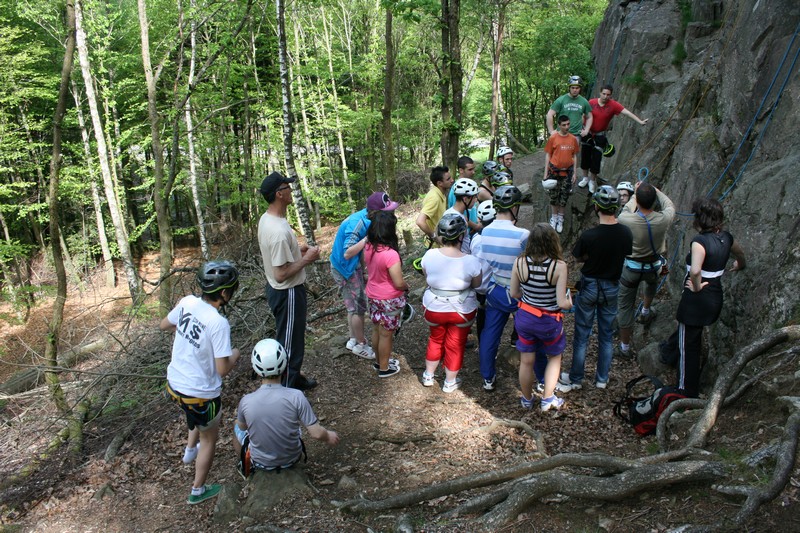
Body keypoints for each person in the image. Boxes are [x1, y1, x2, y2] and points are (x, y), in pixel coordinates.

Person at [162, 261, 241, 505]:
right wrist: (236, 354)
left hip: (174, 384)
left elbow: (164, 325)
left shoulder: (187, 302)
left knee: (194, 413)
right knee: (209, 438)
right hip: (201, 396)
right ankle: (198, 490)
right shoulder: (218, 323)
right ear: (225, 293)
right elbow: (223, 369)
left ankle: (188, 451)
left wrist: (188, 327)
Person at [660, 198, 746, 397]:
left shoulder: (699, 242)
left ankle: (685, 390)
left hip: (696, 301)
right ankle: (669, 352)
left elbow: (696, 270)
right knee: (689, 336)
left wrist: (696, 287)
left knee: (689, 346)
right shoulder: (727, 238)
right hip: (714, 297)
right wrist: (740, 264)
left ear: (700, 219)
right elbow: (740, 253)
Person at [557, 186, 632, 393]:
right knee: (606, 335)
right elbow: (626, 254)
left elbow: (578, 257)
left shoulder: (590, 235)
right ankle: (601, 379)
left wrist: (592, 258)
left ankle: (576, 378)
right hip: (611, 287)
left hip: (590, 285)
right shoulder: (625, 233)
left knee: (582, 334)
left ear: (597, 207)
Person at [234, 339, 339, 475]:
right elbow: (317, 433)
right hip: (292, 458)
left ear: (257, 369)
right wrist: (329, 436)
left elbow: (243, 428)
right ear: (284, 365)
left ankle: (243, 464)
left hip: (261, 463)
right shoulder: (296, 396)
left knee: (237, 424)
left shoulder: (246, 401)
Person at [257, 172, 319, 391]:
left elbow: (276, 255)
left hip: (279, 291)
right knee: (291, 343)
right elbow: (280, 274)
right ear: (279, 194)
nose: (291, 191)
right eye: (288, 188)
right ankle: (287, 392)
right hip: (288, 291)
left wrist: (296, 250)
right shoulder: (278, 231)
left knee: (290, 337)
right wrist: (306, 259)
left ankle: (295, 377)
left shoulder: (268, 218)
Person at [330, 191, 399, 360]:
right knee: (357, 307)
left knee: (353, 306)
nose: (391, 213)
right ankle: (361, 345)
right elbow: (347, 252)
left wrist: (365, 269)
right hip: (345, 268)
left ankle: (353, 339)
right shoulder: (358, 223)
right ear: (377, 212)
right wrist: (367, 240)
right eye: (388, 210)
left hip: (352, 266)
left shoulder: (368, 217)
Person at [510, 224, 573, 411]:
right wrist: (570, 301)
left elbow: (514, 293)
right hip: (549, 322)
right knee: (554, 357)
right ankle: (547, 399)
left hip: (525, 318)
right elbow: (562, 302)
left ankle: (527, 399)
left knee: (526, 361)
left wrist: (530, 295)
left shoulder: (519, 262)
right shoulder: (559, 266)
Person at [420, 214, 482, 393]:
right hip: (460, 309)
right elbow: (476, 285)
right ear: (461, 236)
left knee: (435, 338)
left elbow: (428, 278)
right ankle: (449, 381)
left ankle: (428, 376)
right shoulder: (471, 261)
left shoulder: (429, 255)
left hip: (433, 307)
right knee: (455, 343)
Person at [476, 185, 529, 391]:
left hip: (496, 288)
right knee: (529, 332)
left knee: (490, 333)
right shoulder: (523, 235)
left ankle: (487, 377)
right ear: (515, 207)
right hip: (521, 293)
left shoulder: (485, 232)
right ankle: (538, 376)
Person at [616, 182, 676, 358]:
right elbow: (670, 205)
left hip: (631, 268)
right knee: (651, 285)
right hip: (652, 266)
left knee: (625, 306)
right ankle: (645, 312)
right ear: (654, 201)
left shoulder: (626, 219)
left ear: (638, 200)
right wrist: (657, 191)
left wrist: (635, 193)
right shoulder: (663, 218)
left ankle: (625, 348)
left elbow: (627, 208)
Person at [578, 85, 648, 193]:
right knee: (585, 154)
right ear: (600, 93)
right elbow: (582, 114)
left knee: (596, 157)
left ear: (611, 95)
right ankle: (585, 178)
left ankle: (592, 180)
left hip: (600, 134)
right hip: (587, 132)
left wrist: (640, 121)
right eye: (604, 94)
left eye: (608, 95)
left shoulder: (613, 105)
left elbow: (627, 112)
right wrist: (582, 128)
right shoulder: (591, 102)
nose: (605, 96)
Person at [364, 210, 409, 378]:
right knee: (386, 334)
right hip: (389, 298)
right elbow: (398, 282)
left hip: (373, 295)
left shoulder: (368, 247)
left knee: (377, 329)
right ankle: (384, 368)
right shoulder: (390, 254)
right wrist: (405, 286)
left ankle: (379, 362)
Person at [543, 115, 580, 233]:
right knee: (553, 195)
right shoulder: (553, 138)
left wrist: (574, 172)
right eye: (564, 125)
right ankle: (553, 218)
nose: (567, 127)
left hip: (567, 172)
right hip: (554, 171)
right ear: (559, 125)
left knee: (564, 195)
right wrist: (545, 174)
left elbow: (574, 155)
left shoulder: (573, 139)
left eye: (568, 124)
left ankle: (561, 218)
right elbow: (548, 154)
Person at [416, 166, 454, 245]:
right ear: (439, 183)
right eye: (448, 179)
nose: (452, 180)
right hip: (434, 246)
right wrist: (434, 237)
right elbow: (420, 221)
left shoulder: (439, 193)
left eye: (451, 178)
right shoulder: (435, 198)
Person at [545, 75, 592, 140]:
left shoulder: (584, 101)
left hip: (576, 135)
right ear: (569, 88)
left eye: (577, 88)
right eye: (572, 88)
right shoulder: (561, 100)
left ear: (580, 88)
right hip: (561, 134)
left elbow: (589, 116)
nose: (575, 90)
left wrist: (586, 130)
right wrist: (551, 131)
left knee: (575, 150)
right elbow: (550, 114)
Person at [443, 178, 479, 253]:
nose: (476, 200)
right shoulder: (457, 219)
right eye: (474, 197)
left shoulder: (449, 213)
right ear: (465, 199)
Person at [447, 156, 481, 234]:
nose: (473, 172)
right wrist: (475, 226)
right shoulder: (456, 190)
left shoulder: (469, 186)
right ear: (461, 170)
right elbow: (458, 214)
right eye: (470, 170)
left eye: (473, 169)